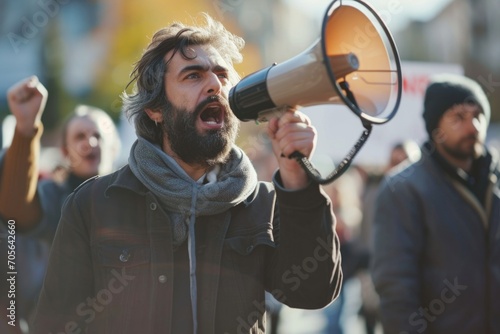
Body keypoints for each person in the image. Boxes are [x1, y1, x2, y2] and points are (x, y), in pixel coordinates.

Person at [32, 14, 342, 334]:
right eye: (193, 76)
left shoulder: (263, 202)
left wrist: (297, 180)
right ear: (156, 110)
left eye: (222, 75)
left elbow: (312, 292)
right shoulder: (94, 203)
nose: (215, 85)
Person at [371, 73, 500, 334]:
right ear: (435, 128)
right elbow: (397, 288)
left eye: (478, 116)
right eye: (458, 117)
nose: (473, 126)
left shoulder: (495, 180)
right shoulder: (403, 189)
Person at [0, 76, 120, 331]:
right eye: (80, 136)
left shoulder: (133, 202)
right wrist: (25, 128)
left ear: (113, 148)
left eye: (98, 135)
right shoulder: (55, 199)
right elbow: (16, 209)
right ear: (65, 152)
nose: (90, 142)